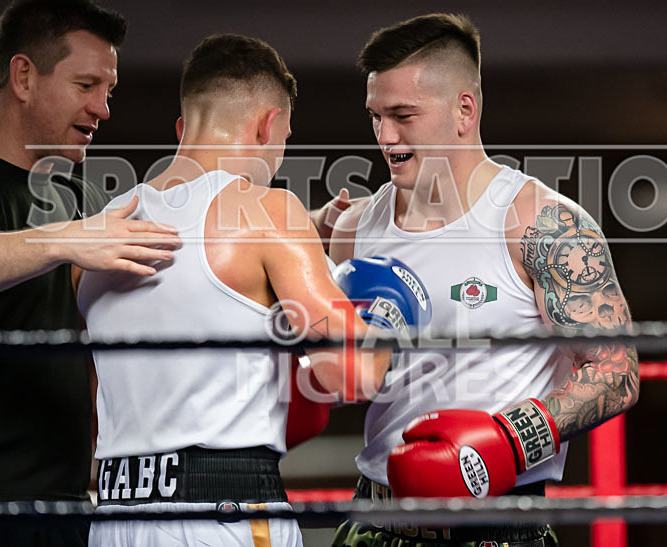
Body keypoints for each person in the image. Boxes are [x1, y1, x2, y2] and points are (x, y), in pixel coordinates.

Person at [75, 33, 429, 547]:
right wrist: (389, 305)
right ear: (268, 126)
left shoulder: (100, 231)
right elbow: (351, 375)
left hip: (115, 518)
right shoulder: (269, 212)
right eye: (284, 138)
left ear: (184, 128)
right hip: (224, 515)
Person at [329, 13, 639, 547]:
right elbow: (347, 381)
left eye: (403, 115)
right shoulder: (357, 229)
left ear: (464, 110)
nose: (385, 136)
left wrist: (510, 439)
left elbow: (618, 371)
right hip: (374, 520)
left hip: (498, 527)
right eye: (376, 116)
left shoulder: (539, 224)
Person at [0, 1, 179, 545]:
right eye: (87, 84)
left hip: (69, 506)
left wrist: (305, 227)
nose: (104, 108)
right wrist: (63, 239)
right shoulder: (74, 222)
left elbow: (184, 242)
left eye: (108, 91)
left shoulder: (84, 201)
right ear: (24, 76)